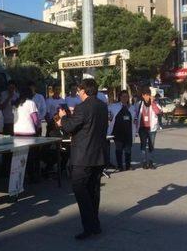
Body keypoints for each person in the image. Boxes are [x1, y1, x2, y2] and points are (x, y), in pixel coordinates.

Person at [58, 79, 108, 240]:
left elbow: (69, 127)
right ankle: (95, 225)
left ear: (84, 90)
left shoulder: (82, 107)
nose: (78, 93)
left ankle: (89, 225)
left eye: (79, 91)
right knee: (93, 191)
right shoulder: (102, 106)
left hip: (83, 157)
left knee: (80, 189)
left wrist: (63, 118)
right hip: (98, 155)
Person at [134, 87, 163, 169]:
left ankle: (150, 162)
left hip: (151, 128)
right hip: (142, 128)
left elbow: (158, 112)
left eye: (149, 95)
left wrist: (153, 102)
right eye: (146, 95)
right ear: (143, 95)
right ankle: (143, 162)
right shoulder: (139, 104)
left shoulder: (154, 103)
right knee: (143, 145)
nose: (147, 97)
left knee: (151, 146)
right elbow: (135, 114)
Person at [108, 90, 136, 171]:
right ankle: (120, 166)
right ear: (119, 97)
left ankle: (128, 165)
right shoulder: (113, 106)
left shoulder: (131, 107)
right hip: (118, 132)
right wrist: (109, 117)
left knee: (128, 150)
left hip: (128, 132)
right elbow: (108, 115)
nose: (125, 98)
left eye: (126, 96)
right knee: (119, 150)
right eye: (123, 96)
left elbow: (135, 118)